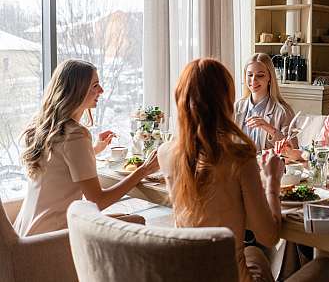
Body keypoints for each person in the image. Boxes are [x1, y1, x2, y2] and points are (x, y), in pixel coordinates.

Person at [158, 58, 284, 282]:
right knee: (321, 263)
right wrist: (272, 180)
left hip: (187, 273)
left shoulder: (166, 153)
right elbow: (269, 236)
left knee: (254, 254)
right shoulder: (240, 157)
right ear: (226, 99)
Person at [15, 59, 159, 237]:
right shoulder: (75, 135)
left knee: (126, 218)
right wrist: (143, 170)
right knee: (137, 222)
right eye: (95, 86)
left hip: (27, 234)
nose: (101, 91)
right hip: (52, 239)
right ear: (77, 91)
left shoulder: (43, 127)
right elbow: (98, 201)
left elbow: (60, 163)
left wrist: (95, 149)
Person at [234, 53, 295, 153]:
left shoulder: (283, 111)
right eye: (250, 75)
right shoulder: (237, 107)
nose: (253, 80)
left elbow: (293, 149)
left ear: (270, 78)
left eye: (260, 75)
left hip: (268, 167)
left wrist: (270, 129)